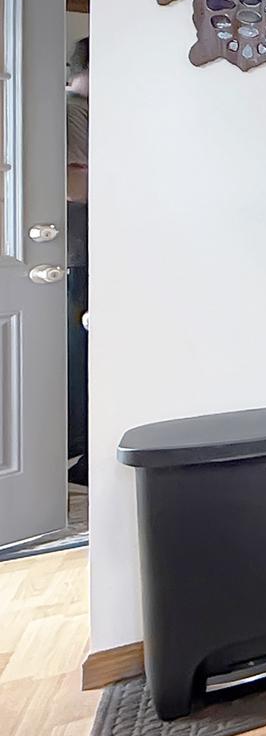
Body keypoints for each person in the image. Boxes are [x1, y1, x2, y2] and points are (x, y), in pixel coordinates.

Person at [65, 38, 86, 484]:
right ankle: (80, 448)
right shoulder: (72, 113)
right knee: (80, 353)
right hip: (75, 252)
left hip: (83, 249)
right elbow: (75, 187)